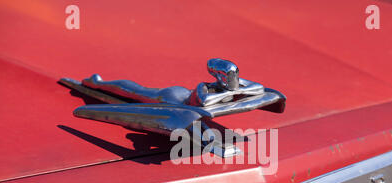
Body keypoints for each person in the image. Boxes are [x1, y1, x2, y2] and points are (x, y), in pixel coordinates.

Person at [81, 58, 265, 107]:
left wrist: (233, 91)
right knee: (136, 91)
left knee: (137, 90)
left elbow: (259, 88)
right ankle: (99, 83)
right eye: (229, 78)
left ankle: (100, 82)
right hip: (169, 97)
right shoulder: (205, 87)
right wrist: (231, 93)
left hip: (180, 93)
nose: (233, 82)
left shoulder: (232, 85)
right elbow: (205, 102)